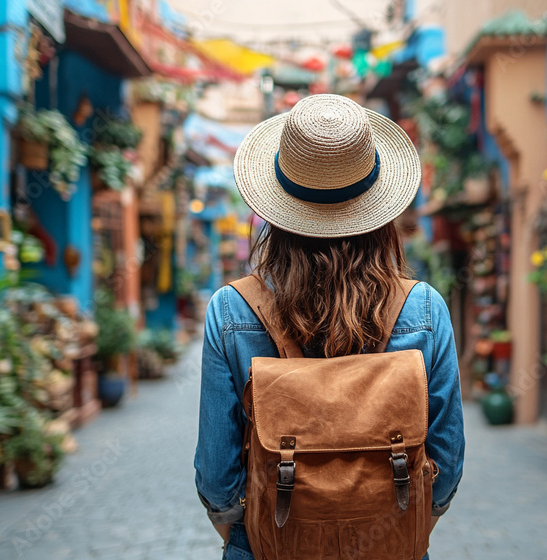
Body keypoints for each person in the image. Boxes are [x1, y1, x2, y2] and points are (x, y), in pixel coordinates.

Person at [195, 94, 465, 560]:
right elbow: (447, 463)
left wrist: (257, 536)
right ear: (379, 210)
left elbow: (218, 478)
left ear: (277, 210)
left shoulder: (231, 310)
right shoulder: (424, 309)